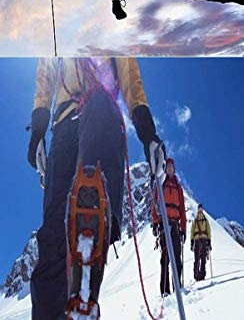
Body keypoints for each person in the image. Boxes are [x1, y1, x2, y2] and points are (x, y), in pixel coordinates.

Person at [27, 58, 166, 319]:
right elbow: (47, 68)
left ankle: (89, 235)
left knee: (78, 206)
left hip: (96, 111)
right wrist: (37, 131)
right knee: (54, 233)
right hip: (67, 123)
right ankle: (86, 251)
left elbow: (127, 74)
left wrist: (147, 132)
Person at [151, 157, 187, 296]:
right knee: (165, 257)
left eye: (172, 167)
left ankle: (178, 287)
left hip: (175, 224)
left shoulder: (179, 188)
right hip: (164, 224)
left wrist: (183, 229)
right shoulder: (160, 184)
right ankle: (165, 291)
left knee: (177, 257)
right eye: (168, 167)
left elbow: (183, 210)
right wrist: (155, 222)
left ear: (174, 169)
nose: (170, 169)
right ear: (165, 169)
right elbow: (155, 204)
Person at [191, 203, 211, 281]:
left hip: (204, 241)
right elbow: (192, 231)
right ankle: (196, 275)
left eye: (201, 209)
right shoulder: (195, 221)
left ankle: (202, 275)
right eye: (199, 209)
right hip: (197, 241)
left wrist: (209, 241)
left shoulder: (205, 220)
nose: (200, 211)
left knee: (203, 259)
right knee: (197, 259)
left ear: (202, 210)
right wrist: (192, 241)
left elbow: (208, 231)